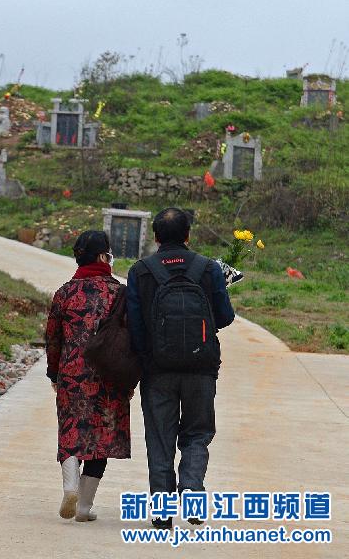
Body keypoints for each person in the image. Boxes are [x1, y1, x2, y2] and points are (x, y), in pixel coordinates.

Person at [126, 207, 235, 529]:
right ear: (188, 235)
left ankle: (161, 512)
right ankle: (192, 490)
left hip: (157, 370)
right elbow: (225, 317)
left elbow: (134, 325)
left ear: (156, 237)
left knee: (160, 438)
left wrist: (147, 357)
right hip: (201, 367)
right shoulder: (208, 269)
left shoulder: (141, 270)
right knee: (198, 434)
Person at [46, 230, 131, 522]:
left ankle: (70, 487)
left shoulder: (65, 292)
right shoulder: (120, 292)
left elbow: (53, 338)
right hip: (110, 375)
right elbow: (131, 336)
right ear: (102, 256)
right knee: (100, 438)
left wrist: (53, 372)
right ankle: (83, 507)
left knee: (71, 431)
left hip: (71, 373)